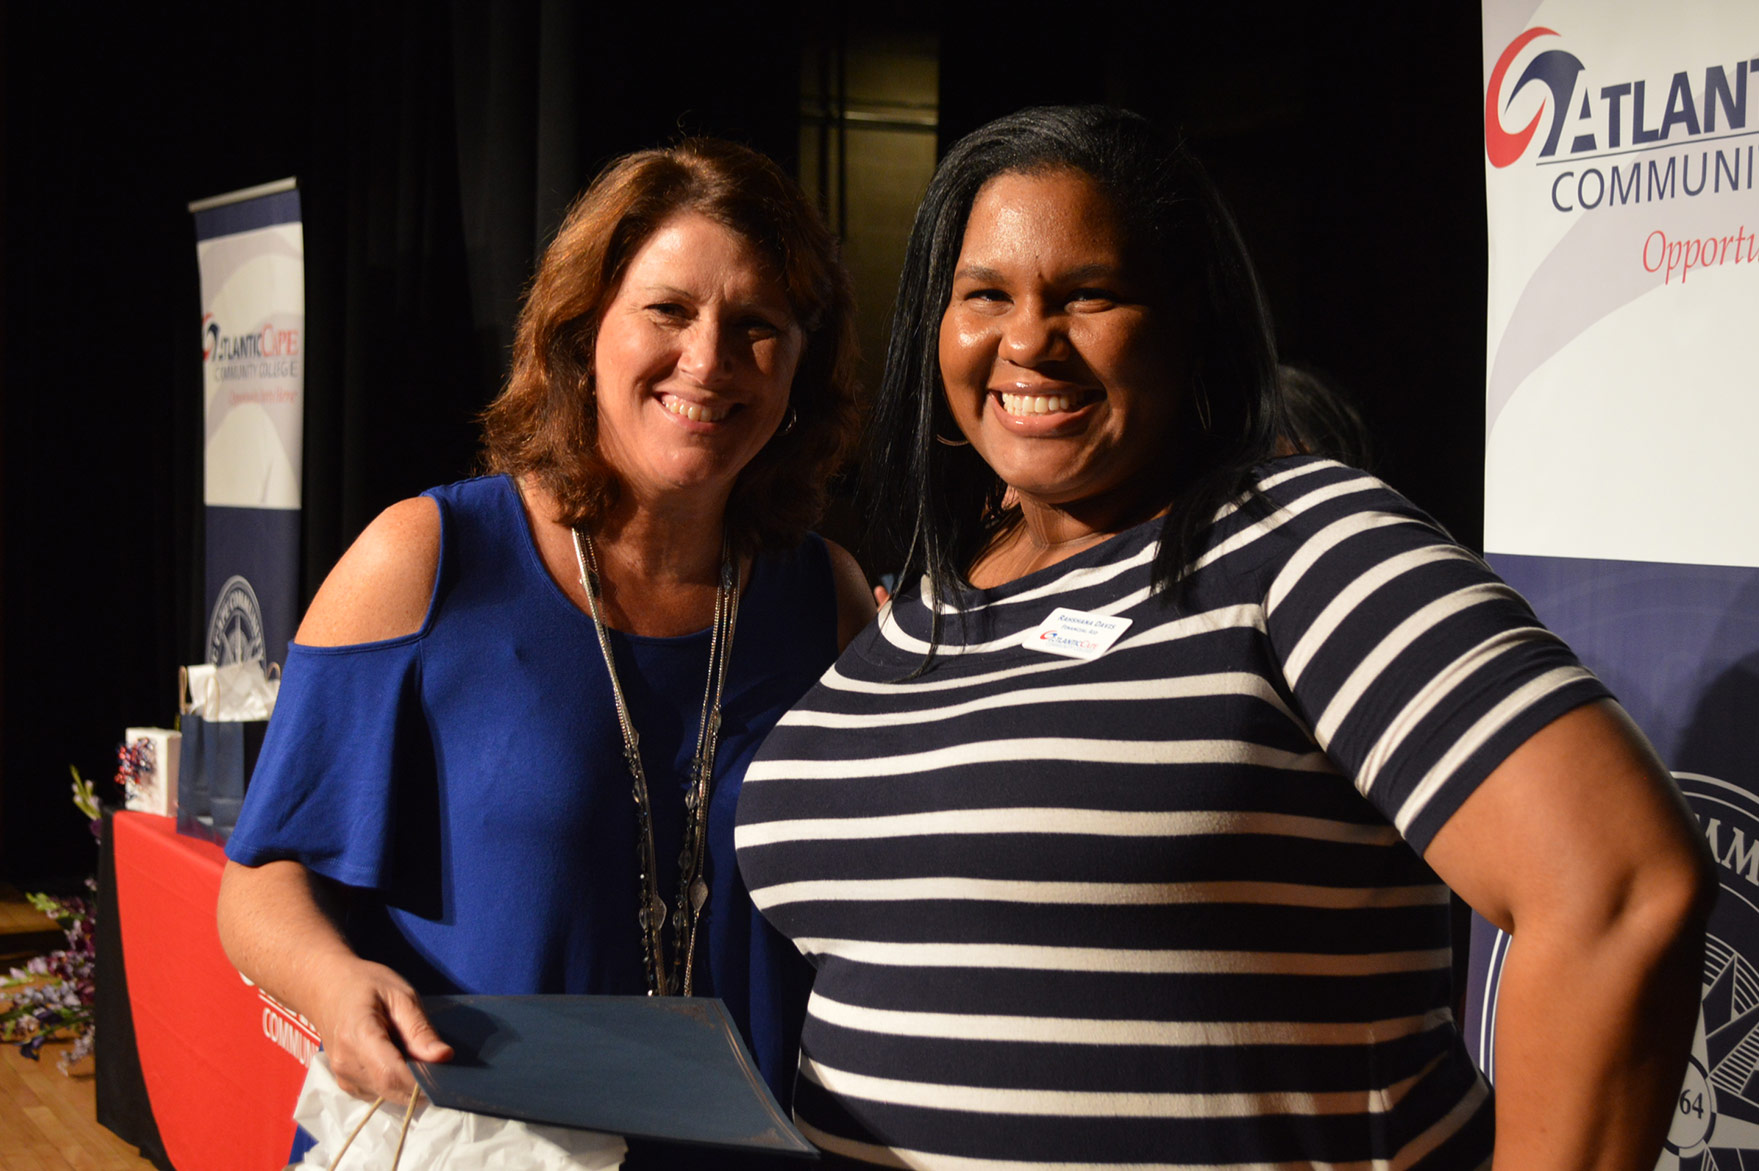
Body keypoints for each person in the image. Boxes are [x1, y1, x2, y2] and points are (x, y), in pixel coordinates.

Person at [734, 106, 1712, 1169]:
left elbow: (1617, 889)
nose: (1025, 340)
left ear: (1187, 322)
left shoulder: (1297, 546)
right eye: (986, 297)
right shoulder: (920, 604)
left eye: (1086, 295)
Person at [216, 138, 874, 1154]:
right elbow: (260, 881)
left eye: (757, 326)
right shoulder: (426, 560)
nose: (708, 359)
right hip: (483, 1143)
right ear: (584, 331)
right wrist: (334, 983)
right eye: (668, 310)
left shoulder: (821, 597)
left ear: (800, 364)